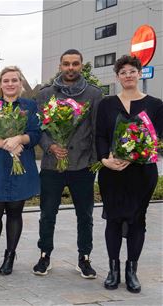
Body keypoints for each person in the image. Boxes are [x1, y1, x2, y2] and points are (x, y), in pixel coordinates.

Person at [33, 49, 103, 278]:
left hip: (82, 165)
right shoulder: (45, 94)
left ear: (81, 65)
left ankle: (84, 258)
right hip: (53, 165)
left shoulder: (93, 94)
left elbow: (96, 129)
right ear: (60, 66)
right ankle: (44, 255)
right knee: (47, 214)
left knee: (85, 215)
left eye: (75, 64)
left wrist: (94, 162)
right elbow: (38, 128)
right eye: (66, 64)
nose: (70, 68)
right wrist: (51, 146)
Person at [96, 55, 163, 294]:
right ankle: (113, 270)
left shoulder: (155, 105)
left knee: (137, 220)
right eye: (122, 72)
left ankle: (131, 270)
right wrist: (105, 159)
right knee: (113, 220)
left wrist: (138, 154)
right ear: (117, 77)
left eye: (132, 71)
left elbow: (158, 139)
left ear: (139, 73)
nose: (127, 76)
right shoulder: (106, 103)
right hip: (112, 171)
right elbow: (101, 135)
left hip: (141, 173)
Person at [0, 66, 41, 275]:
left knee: (15, 212)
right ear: (0, 84)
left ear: (20, 83)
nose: (10, 84)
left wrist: (20, 139)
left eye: (14, 80)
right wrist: (6, 143)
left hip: (20, 166)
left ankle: (10, 255)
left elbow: (36, 133)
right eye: (6, 80)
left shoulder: (30, 106)